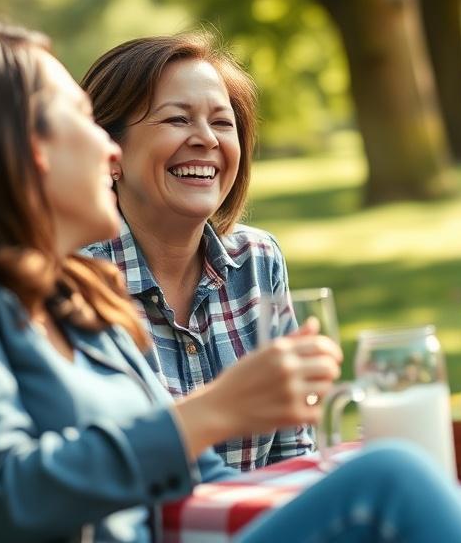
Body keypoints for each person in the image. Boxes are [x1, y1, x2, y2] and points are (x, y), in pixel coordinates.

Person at [0, 17, 461, 543]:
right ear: (17, 145)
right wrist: (216, 410)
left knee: (387, 481)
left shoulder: (76, 294)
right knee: (389, 482)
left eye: (222, 121)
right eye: (83, 120)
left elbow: (201, 478)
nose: (109, 151)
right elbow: (2, 493)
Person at [81, 34, 306, 471]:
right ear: (111, 150)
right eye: (177, 120)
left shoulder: (258, 259)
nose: (206, 139)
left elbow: (293, 450)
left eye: (223, 123)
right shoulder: (74, 282)